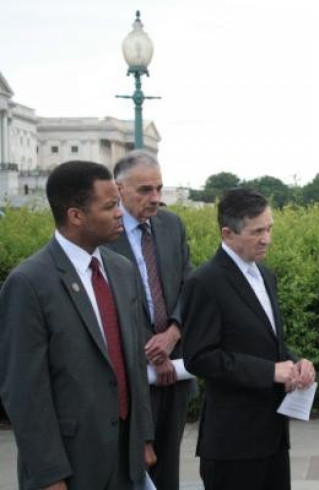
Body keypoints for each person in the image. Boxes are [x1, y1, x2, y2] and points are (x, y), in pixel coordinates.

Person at [0, 161, 155, 489]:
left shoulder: (122, 270)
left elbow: (133, 364)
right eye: (110, 205)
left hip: (126, 459)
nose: (119, 214)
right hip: (71, 465)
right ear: (75, 215)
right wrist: (50, 475)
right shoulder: (29, 283)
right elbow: (24, 391)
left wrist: (143, 437)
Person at [182, 188, 316, 490]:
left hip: (273, 438)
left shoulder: (265, 275)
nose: (266, 238)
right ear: (227, 233)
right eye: (257, 231)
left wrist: (297, 363)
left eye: (269, 228)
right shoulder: (204, 282)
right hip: (233, 445)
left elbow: (269, 342)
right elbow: (199, 358)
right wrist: (270, 372)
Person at [105, 150, 195, 490]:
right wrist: (149, 352)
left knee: (167, 468)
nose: (156, 198)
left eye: (159, 188)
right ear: (119, 189)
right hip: (128, 375)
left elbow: (189, 286)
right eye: (145, 190)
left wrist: (173, 334)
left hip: (176, 372)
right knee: (130, 469)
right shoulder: (104, 235)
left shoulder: (171, 225)